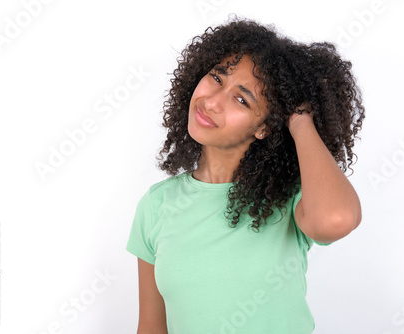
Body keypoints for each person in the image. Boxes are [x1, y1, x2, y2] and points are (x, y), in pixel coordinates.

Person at [126, 15, 365, 334]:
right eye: (216, 78)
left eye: (241, 99)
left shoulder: (289, 198)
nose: (211, 102)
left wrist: (300, 120)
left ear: (265, 126)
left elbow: (336, 219)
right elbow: (152, 328)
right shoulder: (156, 206)